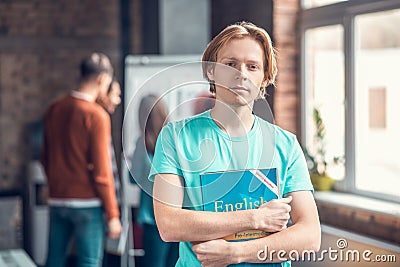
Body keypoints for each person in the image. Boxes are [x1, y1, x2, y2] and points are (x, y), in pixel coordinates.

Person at [150, 21, 321, 267]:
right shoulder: (176, 137)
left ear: (264, 78)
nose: (241, 74)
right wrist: (255, 218)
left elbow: (310, 236)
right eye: (230, 64)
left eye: (252, 67)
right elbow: (169, 224)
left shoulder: (285, 145)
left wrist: (236, 254)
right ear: (211, 71)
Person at [41, 52, 122, 267]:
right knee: (89, 262)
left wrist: (54, 187)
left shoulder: (54, 108)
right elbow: (102, 171)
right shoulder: (96, 115)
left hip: (57, 199)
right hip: (87, 203)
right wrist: (113, 215)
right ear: (102, 80)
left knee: (54, 260)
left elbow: (45, 157)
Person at [130, 95, 179, 267]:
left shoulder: (142, 144)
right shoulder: (177, 138)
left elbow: (133, 177)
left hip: (153, 217)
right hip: (179, 215)